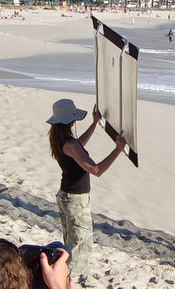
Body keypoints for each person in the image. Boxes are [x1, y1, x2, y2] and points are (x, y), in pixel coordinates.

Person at [47, 99, 127, 276]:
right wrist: (117, 149)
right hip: (75, 200)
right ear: (71, 120)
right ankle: (68, 283)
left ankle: (69, 282)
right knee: (80, 245)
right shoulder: (71, 144)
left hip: (65, 196)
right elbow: (96, 170)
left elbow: (79, 147)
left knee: (70, 242)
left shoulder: (60, 139)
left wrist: (94, 123)